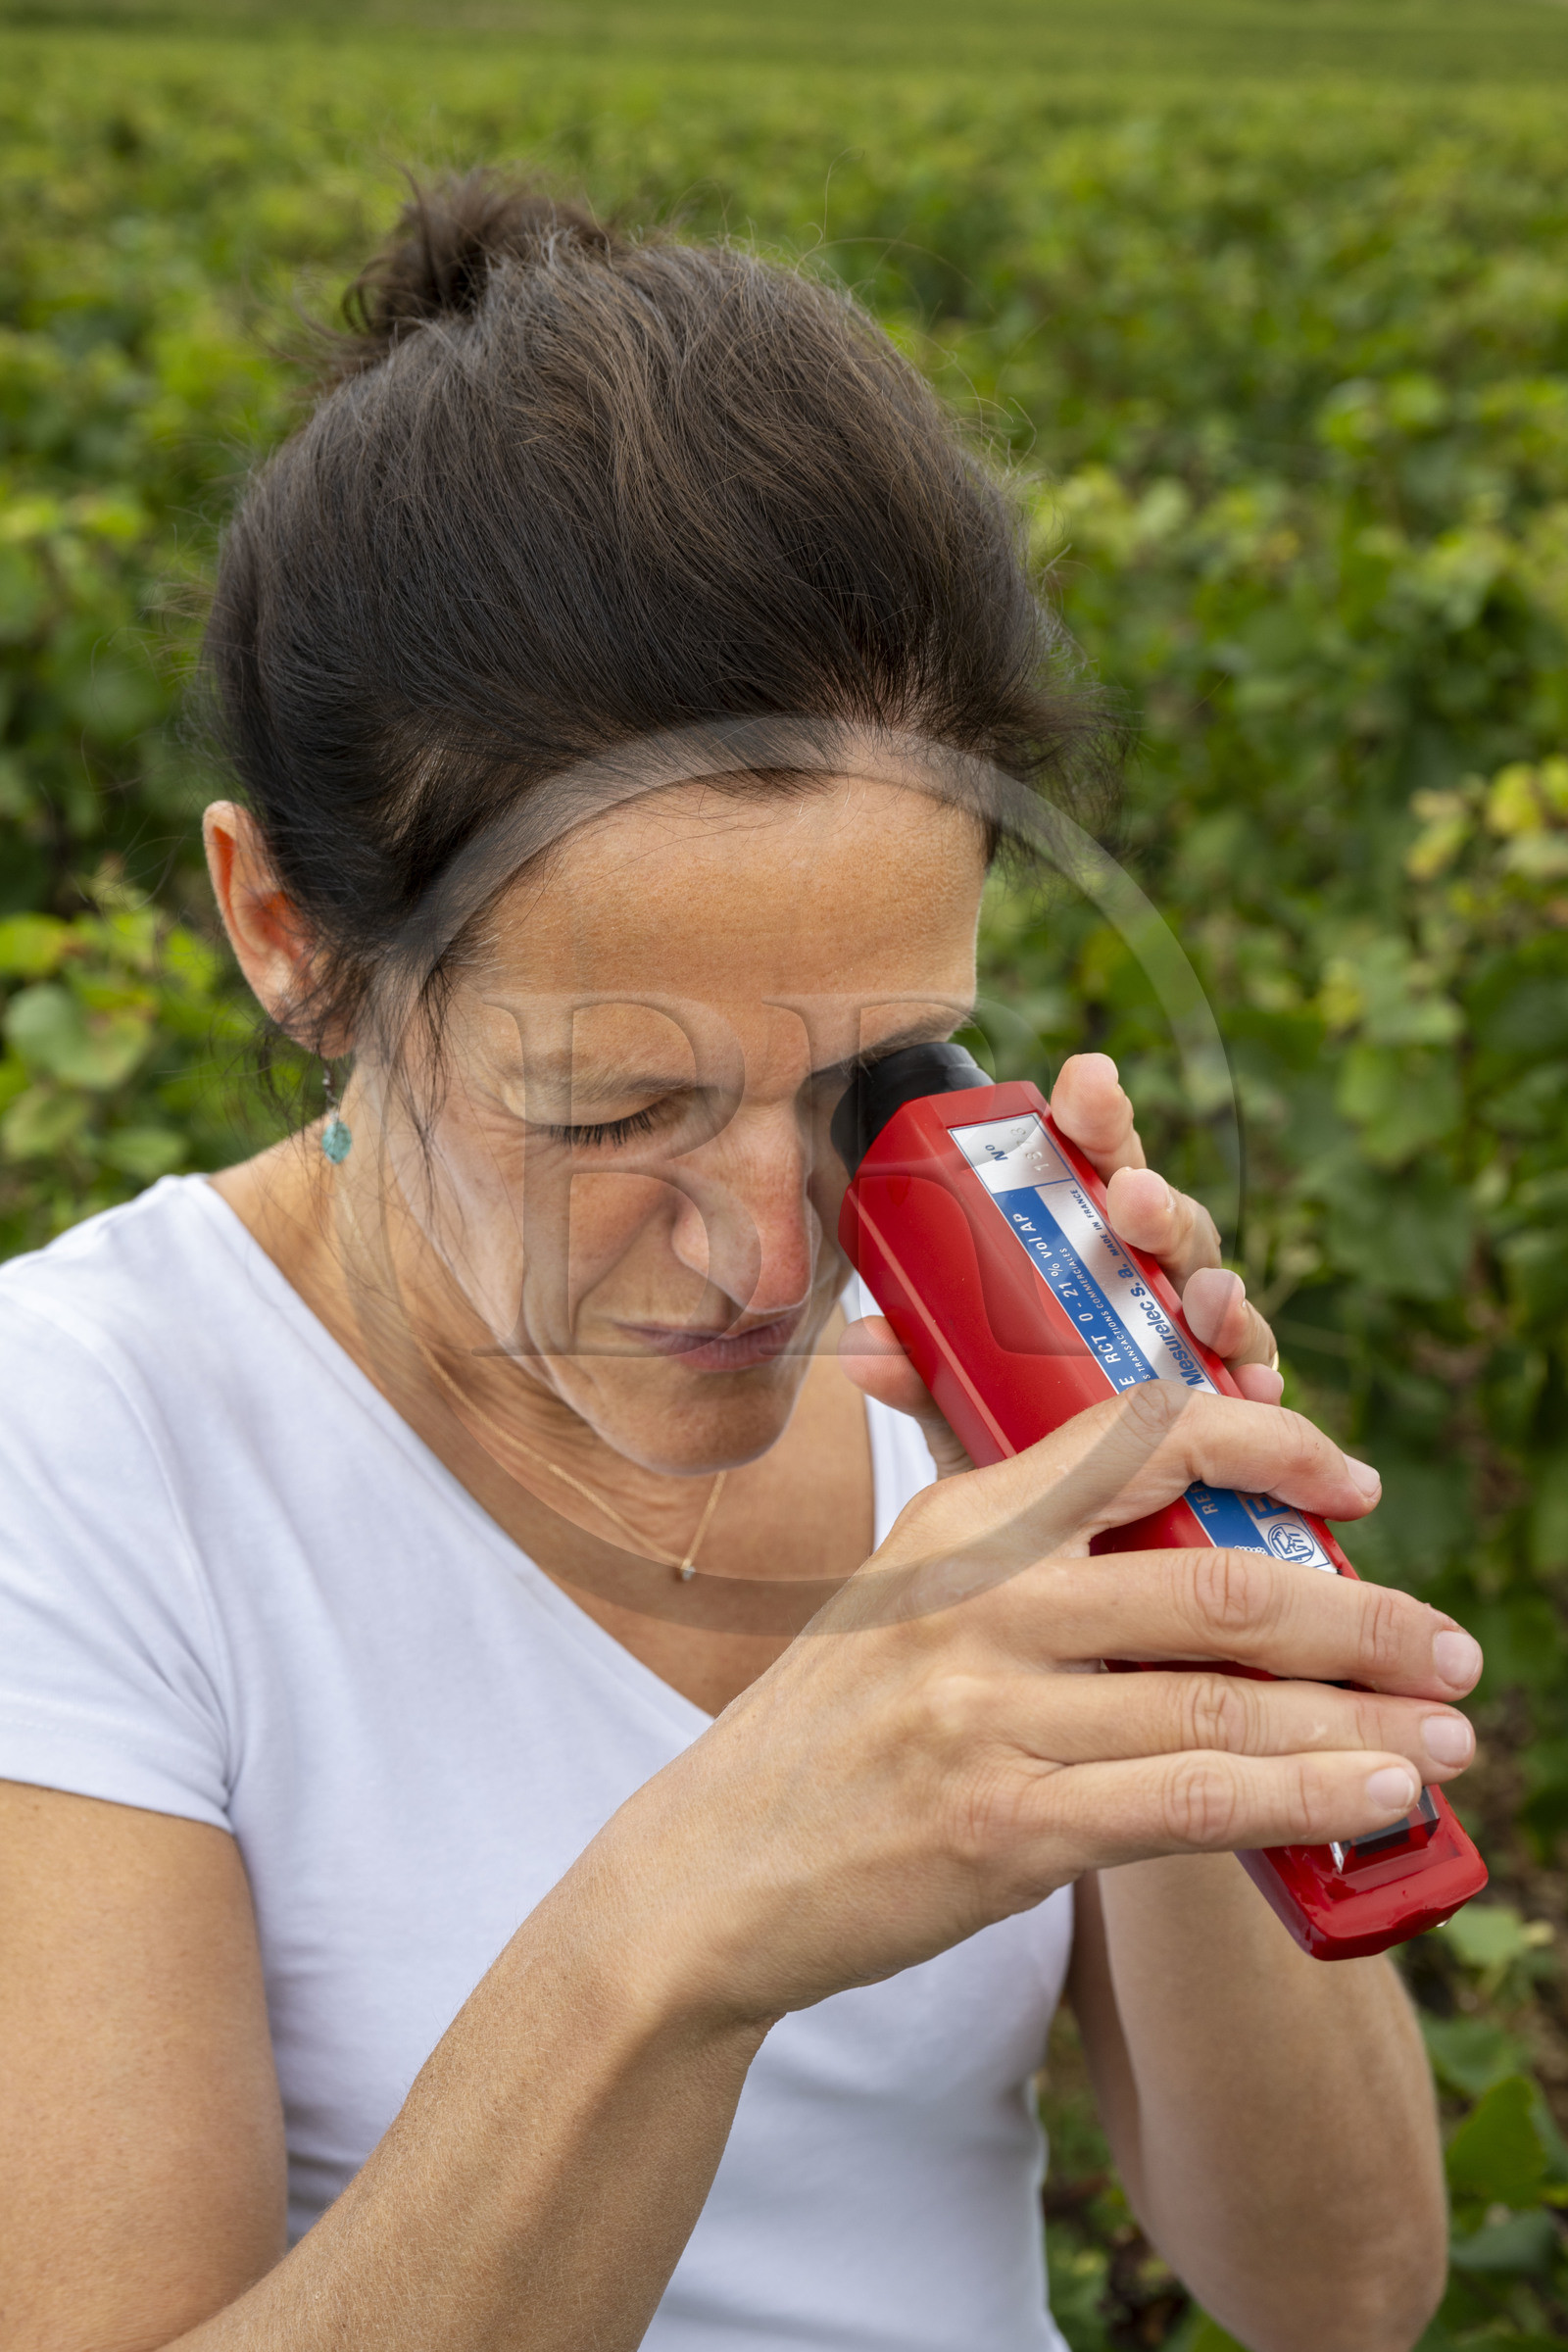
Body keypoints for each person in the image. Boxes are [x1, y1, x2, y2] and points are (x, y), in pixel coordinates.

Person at [0, 176, 1474, 2352]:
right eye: (610, 1110)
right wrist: (691, 1912)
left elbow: (1338, 2292)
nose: (776, 1251)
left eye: (871, 1072)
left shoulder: (968, 1404)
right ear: (284, 934)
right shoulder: (81, 1445)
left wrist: (1155, 1578)